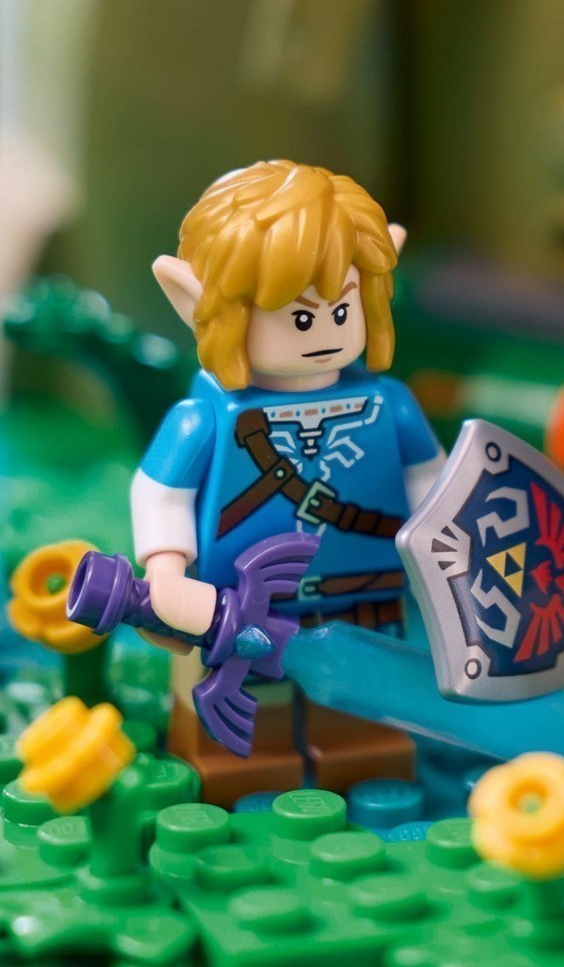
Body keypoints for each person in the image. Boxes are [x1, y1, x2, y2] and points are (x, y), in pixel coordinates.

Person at [132, 160, 445, 805]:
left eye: (342, 308)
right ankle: (240, 760)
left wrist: (447, 554)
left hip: (364, 589)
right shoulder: (204, 419)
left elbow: (433, 483)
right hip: (236, 599)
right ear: (196, 302)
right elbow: (160, 493)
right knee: (241, 692)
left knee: (365, 692)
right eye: (300, 318)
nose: (325, 332)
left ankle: (360, 752)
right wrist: (166, 571)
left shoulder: (390, 406)